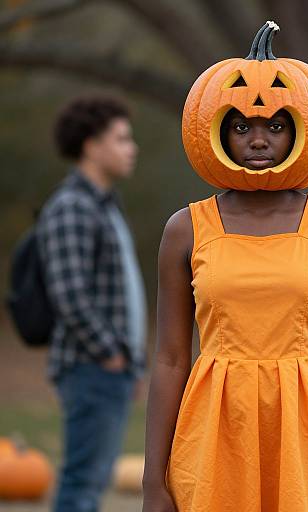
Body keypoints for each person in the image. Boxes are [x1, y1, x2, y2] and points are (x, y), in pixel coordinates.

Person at [143, 22, 308, 512]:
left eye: (275, 127)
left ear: (301, 130)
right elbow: (170, 358)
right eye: (241, 127)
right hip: (214, 433)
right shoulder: (185, 230)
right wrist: (154, 480)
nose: (258, 140)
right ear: (217, 131)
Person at [37, 95, 147, 512]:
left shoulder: (104, 205)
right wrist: (109, 355)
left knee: (94, 479)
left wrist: (130, 362)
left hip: (110, 368)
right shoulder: (73, 207)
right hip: (90, 366)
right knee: (83, 482)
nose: (131, 148)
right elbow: (69, 294)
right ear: (90, 146)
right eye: (121, 138)